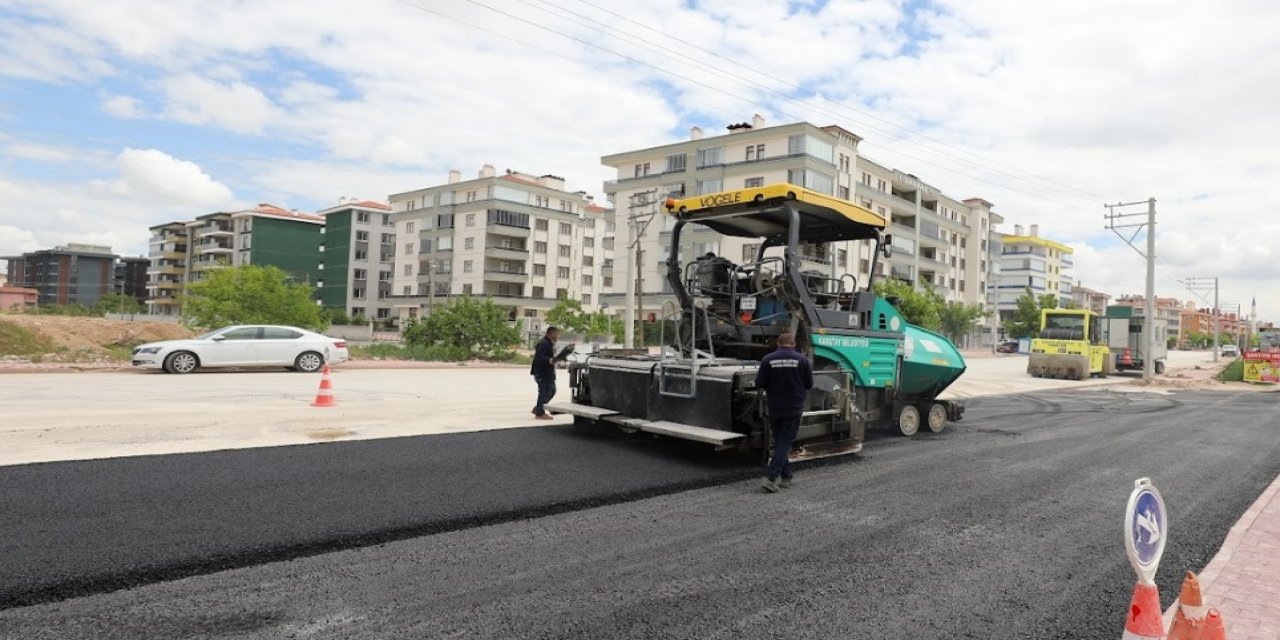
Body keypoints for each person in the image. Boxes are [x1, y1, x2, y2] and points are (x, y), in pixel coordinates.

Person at [754, 332, 813, 493]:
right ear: (793, 344)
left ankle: (786, 476)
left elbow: (759, 382)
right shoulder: (802, 360)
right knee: (786, 441)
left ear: (778, 344)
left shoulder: (767, 360)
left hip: (775, 406)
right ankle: (771, 478)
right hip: (794, 406)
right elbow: (809, 384)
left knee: (781, 440)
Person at [531, 326, 561, 420]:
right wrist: (550, 360)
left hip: (548, 373)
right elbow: (539, 358)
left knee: (552, 391)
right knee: (544, 392)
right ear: (551, 333)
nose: (557, 336)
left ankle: (538, 408)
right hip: (542, 373)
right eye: (557, 334)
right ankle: (539, 413)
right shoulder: (543, 344)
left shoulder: (549, 343)